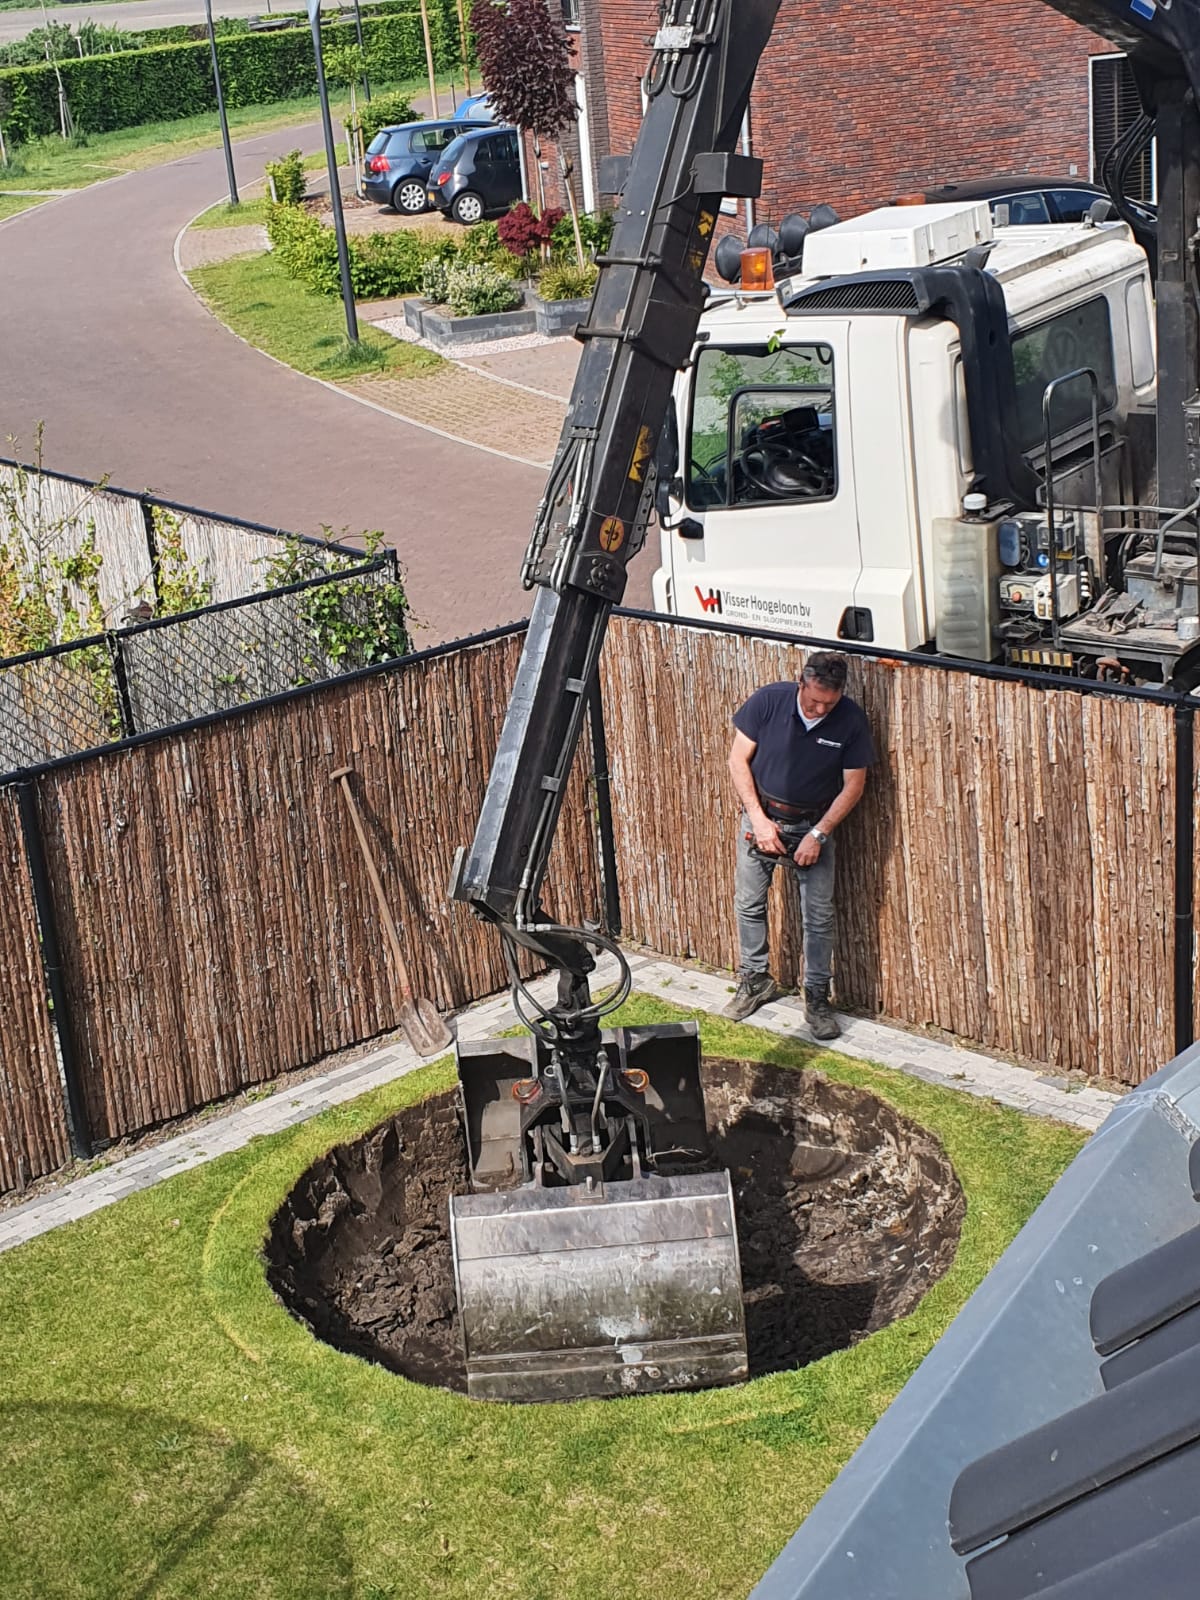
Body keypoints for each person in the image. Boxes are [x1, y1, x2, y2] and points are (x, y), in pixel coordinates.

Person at [724, 651, 875, 1038]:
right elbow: (738, 760)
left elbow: (854, 785)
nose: (821, 708)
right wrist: (759, 821)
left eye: (830, 702)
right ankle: (755, 980)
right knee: (749, 904)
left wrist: (819, 835)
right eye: (814, 700)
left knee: (819, 916)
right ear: (801, 683)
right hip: (762, 819)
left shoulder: (851, 720)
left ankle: (818, 997)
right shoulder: (769, 701)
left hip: (813, 824)